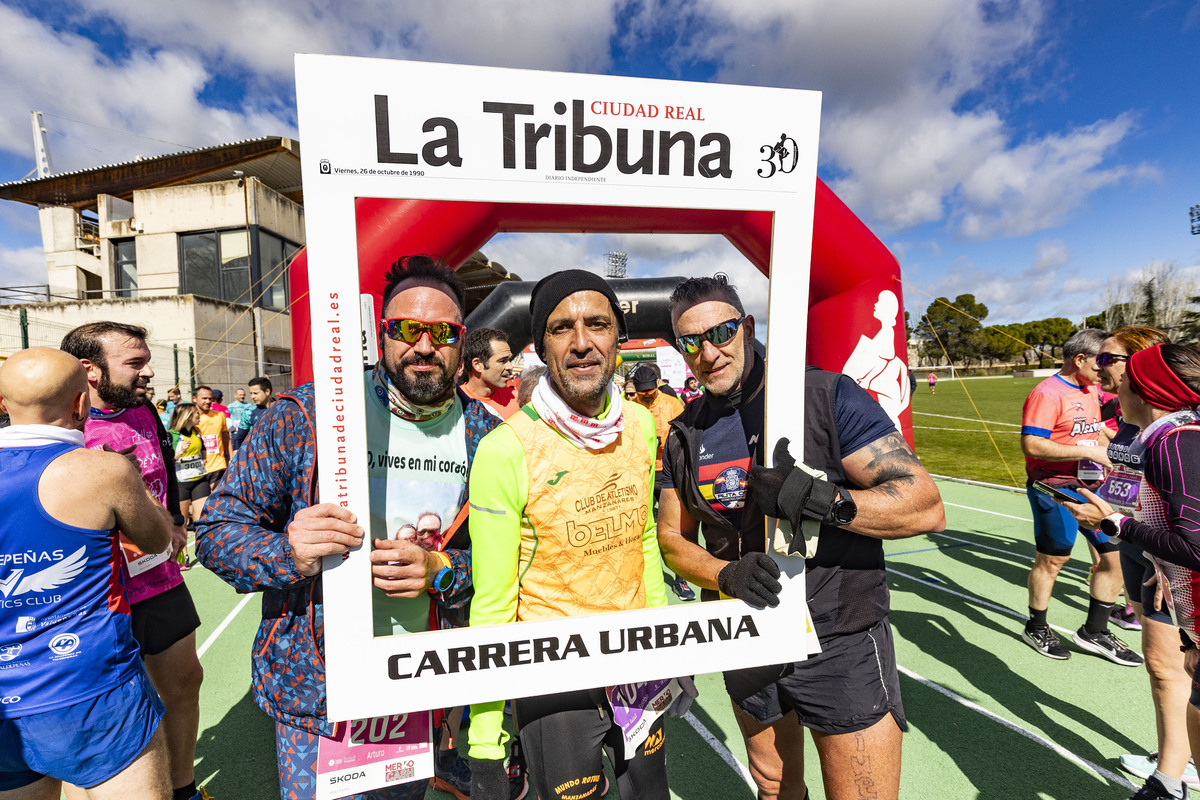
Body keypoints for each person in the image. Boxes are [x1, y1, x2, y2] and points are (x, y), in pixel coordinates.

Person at [197, 254, 500, 800]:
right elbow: (218, 529)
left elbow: (515, 556)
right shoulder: (307, 415)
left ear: (463, 342)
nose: (424, 346)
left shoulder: (487, 434)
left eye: (442, 332)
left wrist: (444, 569)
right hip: (320, 687)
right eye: (408, 329)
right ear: (381, 334)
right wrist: (288, 550)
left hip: (418, 681)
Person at [656, 275, 946, 800]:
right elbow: (673, 540)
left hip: (839, 636)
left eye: (721, 332)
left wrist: (826, 502)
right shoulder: (684, 429)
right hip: (744, 632)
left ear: (746, 327)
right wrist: (725, 574)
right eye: (690, 341)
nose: (708, 352)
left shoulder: (824, 395)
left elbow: (925, 505)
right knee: (773, 785)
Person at [467, 269, 673, 800]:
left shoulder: (641, 425)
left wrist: (663, 648)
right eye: (562, 329)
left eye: (597, 324)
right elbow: (492, 603)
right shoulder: (504, 450)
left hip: (637, 662)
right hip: (552, 678)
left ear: (618, 340)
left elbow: (642, 540)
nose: (582, 343)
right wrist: (486, 741)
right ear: (541, 344)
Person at [0, 348, 174, 799]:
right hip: (93, 690)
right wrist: (134, 483)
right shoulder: (101, 470)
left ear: (3, 404)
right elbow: (159, 541)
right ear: (81, 404)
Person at [60, 322, 208, 800]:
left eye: (146, 360)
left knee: (185, 683)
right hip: (96, 597)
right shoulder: (60, 426)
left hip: (160, 579)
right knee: (109, 715)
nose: (148, 372)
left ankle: (183, 790)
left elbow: (162, 464)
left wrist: (175, 523)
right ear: (91, 371)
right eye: (135, 363)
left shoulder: (144, 408)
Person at [1062, 343, 1200, 800]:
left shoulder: (1173, 442)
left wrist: (1113, 523)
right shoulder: (1169, 436)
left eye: (1122, 372)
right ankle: (1169, 780)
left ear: (1147, 389)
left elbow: (1194, 545)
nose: (1114, 383)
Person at [1019, 328, 1142, 666]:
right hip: (1054, 486)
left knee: (1114, 555)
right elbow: (1032, 445)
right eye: (1099, 360)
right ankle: (1037, 626)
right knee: (1054, 560)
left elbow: (1092, 428)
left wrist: (1114, 444)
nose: (1104, 369)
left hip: (1091, 486)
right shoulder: (1047, 393)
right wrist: (1091, 452)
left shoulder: (1090, 389)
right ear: (1079, 359)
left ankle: (1095, 631)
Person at [629, 364, 695, 601]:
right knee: (639, 530)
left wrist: (667, 442)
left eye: (650, 391)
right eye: (642, 392)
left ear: (657, 385)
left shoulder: (671, 403)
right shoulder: (630, 407)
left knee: (676, 528)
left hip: (669, 473)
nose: (647, 395)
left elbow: (687, 432)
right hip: (643, 474)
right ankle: (640, 581)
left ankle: (681, 579)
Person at [460, 328, 520, 420]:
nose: (510, 366)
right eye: (502, 361)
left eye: (509, 360)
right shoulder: (455, 406)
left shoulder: (517, 398)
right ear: (478, 365)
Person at [168, 403, 209, 528]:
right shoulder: (172, 435)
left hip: (199, 479)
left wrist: (203, 460)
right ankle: (183, 548)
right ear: (188, 416)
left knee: (202, 518)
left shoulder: (196, 431)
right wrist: (180, 452)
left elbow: (203, 449)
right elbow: (168, 460)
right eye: (196, 412)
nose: (199, 414)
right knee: (182, 522)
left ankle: (200, 547)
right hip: (181, 482)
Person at [192, 386, 231, 491]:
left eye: (210, 399)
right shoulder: (189, 418)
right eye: (204, 398)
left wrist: (231, 458)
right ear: (194, 399)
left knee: (216, 497)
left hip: (218, 464)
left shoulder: (219, 415)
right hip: (198, 466)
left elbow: (226, 437)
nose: (208, 401)